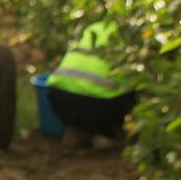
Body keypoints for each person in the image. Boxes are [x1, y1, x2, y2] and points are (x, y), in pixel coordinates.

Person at [46, 21, 136, 149]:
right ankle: (108, 135)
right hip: (100, 105)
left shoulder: (94, 27)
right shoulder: (133, 35)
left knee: (83, 103)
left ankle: (76, 131)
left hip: (58, 97)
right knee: (138, 83)